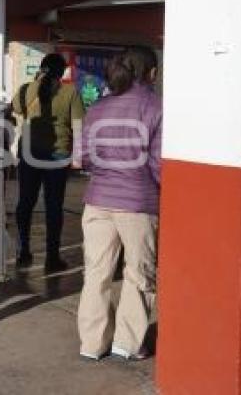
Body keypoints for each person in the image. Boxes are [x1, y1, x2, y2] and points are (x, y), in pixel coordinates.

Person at [76, 47, 161, 361]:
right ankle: (127, 343)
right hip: (138, 203)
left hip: (97, 201)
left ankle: (92, 344)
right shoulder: (155, 107)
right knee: (138, 273)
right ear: (150, 73)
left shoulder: (98, 107)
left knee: (96, 272)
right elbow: (159, 166)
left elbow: (82, 156)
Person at [12, 53, 84, 273]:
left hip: (30, 154)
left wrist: (35, 83)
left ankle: (23, 250)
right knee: (54, 206)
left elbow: (15, 109)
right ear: (62, 73)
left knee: (25, 202)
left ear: (41, 68)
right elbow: (79, 126)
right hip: (58, 157)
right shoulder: (70, 92)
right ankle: (52, 257)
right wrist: (78, 157)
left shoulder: (26, 89)